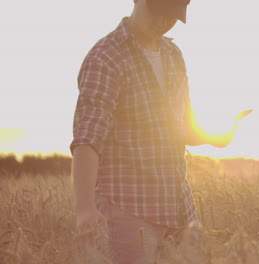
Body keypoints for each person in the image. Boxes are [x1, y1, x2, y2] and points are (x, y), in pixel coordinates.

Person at [70, 0, 249, 263]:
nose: (163, 21)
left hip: (180, 208)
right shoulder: (105, 58)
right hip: (129, 211)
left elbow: (182, 128)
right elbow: (88, 137)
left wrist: (214, 137)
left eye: (172, 15)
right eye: (159, 11)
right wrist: (84, 208)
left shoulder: (173, 55)